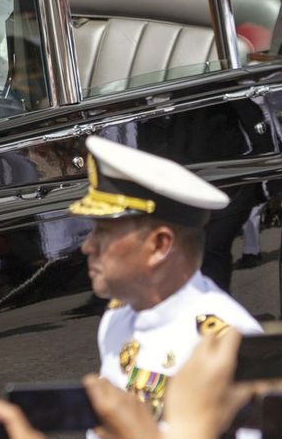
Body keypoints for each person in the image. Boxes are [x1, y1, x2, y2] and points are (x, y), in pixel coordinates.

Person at [72, 135, 259, 414]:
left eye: (104, 233)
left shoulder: (227, 344)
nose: (87, 246)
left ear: (160, 245)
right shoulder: (118, 316)